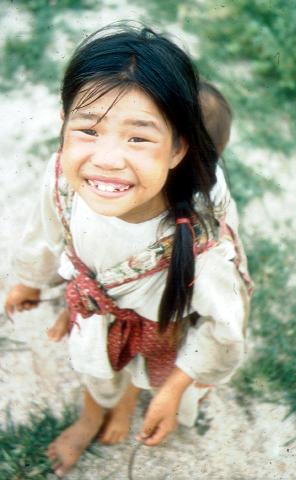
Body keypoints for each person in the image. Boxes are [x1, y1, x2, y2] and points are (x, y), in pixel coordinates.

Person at [5, 25, 252, 478]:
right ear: (64, 121)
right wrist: (31, 279)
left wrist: (175, 387)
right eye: (89, 129)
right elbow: (44, 226)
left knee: (136, 371)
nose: (107, 158)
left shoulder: (199, 246)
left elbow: (224, 328)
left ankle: (126, 404)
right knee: (96, 366)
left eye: (138, 137)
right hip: (97, 315)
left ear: (179, 147)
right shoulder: (62, 173)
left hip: (154, 327)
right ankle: (92, 414)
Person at [44, 79, 234, 344]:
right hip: (93, 282)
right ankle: (74, 310)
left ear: (178, 153)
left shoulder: (200, 228)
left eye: (139, 139)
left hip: (145, 317)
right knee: (89, 271)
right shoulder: (84, 186)